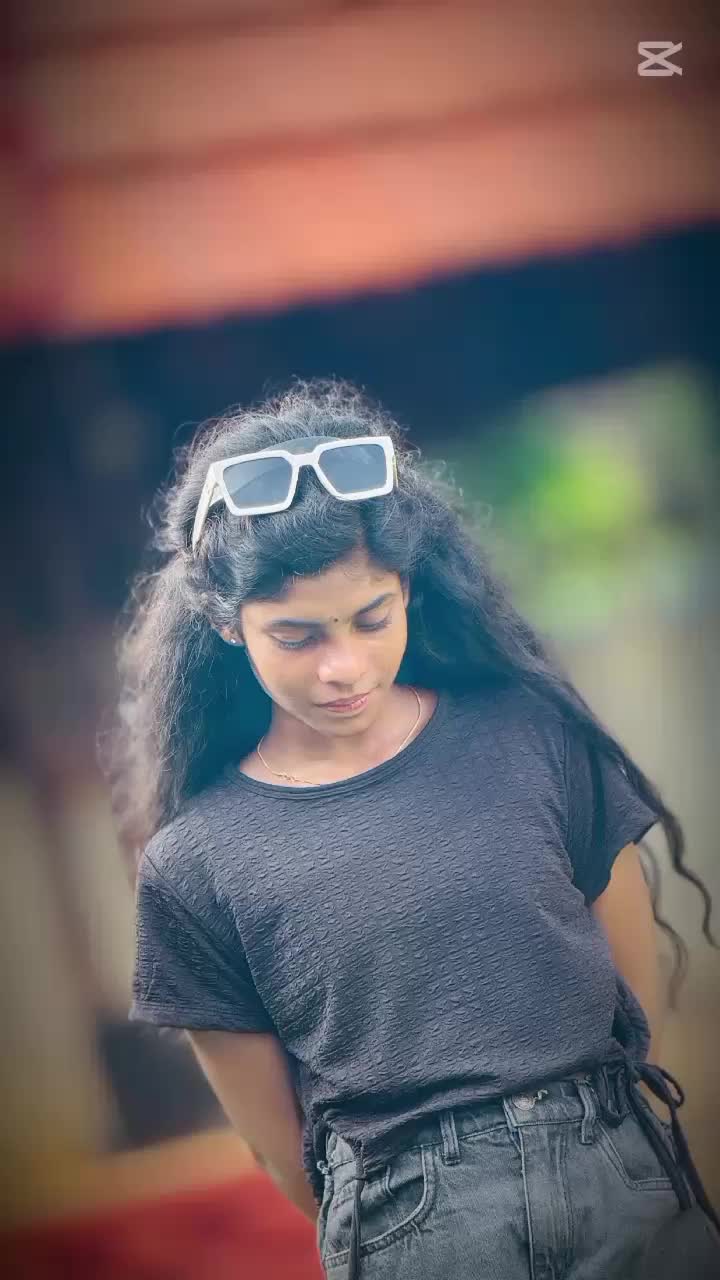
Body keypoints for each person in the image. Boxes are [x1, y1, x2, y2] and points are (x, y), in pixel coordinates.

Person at [105, 380, 718, 1279]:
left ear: (408, 589)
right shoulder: (195, 865)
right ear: (227, 623)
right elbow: (279, 1148)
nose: (343, 666)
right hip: (415, 1233)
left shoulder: (532, 735)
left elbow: (635, 990)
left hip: (625, 1182)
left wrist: (597, 1143)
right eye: (297, 637)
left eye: (371, 618)